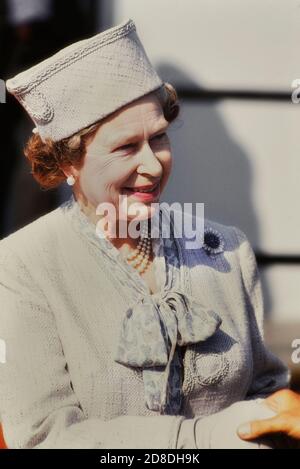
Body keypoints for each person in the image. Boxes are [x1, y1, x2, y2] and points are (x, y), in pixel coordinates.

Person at [0, 19, 289, 449]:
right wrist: (203, 439)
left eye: (159, 138)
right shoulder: (23, 265)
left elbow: (265, 394)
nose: (153, 165)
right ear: (67, 163)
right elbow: (45, 437)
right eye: (125, 147)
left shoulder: (227, 249)